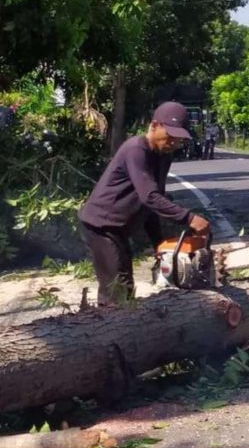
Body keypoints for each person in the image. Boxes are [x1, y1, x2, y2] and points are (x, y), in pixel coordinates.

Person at [78, 102, 211, 305]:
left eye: (178, 139)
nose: (173, 143)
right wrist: (190, 218)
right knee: (117, 289)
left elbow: (153, 202)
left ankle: (119, 326)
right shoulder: (136, 149)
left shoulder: (163, 156)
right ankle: (107, 330)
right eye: (170, 135)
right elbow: (149, 196)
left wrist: (159, 243)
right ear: (154, 125)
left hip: (120, 228)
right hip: (101, 225)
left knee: (125, 285)